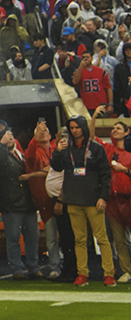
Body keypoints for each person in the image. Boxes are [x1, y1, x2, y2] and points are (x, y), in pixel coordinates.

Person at [51, 115, 115, 286]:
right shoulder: (66, 149)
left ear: (83, 128)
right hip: (73, 199)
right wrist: (57, 151)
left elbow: (105, 174)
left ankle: (109, 274)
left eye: (77, 127)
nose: (74, 131)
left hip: (93, 200)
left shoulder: (96, 148)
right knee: (79, 239)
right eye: (71, 128)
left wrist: (103, 197)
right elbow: (56, 167)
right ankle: (82, 274)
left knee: (101, 238)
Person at [0, 127, 40, 279]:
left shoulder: (22, 156)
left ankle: (33, 266)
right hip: (11, 204)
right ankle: (17, 268)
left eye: (11, 136)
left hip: (28, 203)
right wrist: (2, 145)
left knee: (33, 237)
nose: (10, 138)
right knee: (13, 238)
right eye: (6, 137)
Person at [23, 119, 61, 279]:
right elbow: (30, 153)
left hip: (63, 198)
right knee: (51, 237)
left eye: (45, 131)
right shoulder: (32, 152)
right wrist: (36, 135)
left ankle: (74, 266)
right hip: (45, 201)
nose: (43, 133)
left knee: (68, 235)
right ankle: (55, 267)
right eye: (39, 132)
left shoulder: (57, 149)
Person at [103, 121, 131, 283]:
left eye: (118, 128)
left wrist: (126, 170)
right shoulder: (109, 150)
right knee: (119, 239)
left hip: (129, 198)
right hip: (113, 200)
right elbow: (92, 137)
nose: (114, 130)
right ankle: (126, 270)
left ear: (127, 132)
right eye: (113, 128)